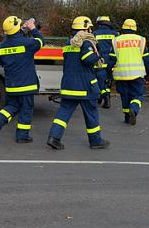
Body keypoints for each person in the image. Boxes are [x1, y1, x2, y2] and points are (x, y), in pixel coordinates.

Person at [46, 16, 110, 151]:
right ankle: (95, 141)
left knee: (63, 113)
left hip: (69, 85)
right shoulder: (86, 43)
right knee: (91, 113)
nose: (91, 31)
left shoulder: (68, 43)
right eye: (90, 28)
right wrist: (98, 53)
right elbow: (87, 60)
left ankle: (54, 138)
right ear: (86, 28)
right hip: (85, 87)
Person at [0, 16, 44, 143]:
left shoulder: (2, 46)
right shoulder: (27, 43)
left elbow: (2, 62)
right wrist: (33, 29)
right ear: (18, 29)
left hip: (11, 85)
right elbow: (41, 41)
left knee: (13, 106)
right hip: (26, 85)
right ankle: (22, 136)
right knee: (26, 109)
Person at [110, 18, 149, 126]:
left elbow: (111, 59)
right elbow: (146, 59)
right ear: (135, 28)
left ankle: (127, 117)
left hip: (121, 75)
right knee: (138, 95)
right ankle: (134, 109)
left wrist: (107, 73)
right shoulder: (141, 40)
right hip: (136, 75)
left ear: (123, 28)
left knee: (125, 96)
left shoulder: (116, 40)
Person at [93, 15, 118, 109]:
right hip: (111, 61)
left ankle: (105, 97)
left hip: (99, 61)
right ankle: (103, 96)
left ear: (99, 24)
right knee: (107, 80)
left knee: (99, 81)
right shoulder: (115, 34)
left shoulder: (95, 34)